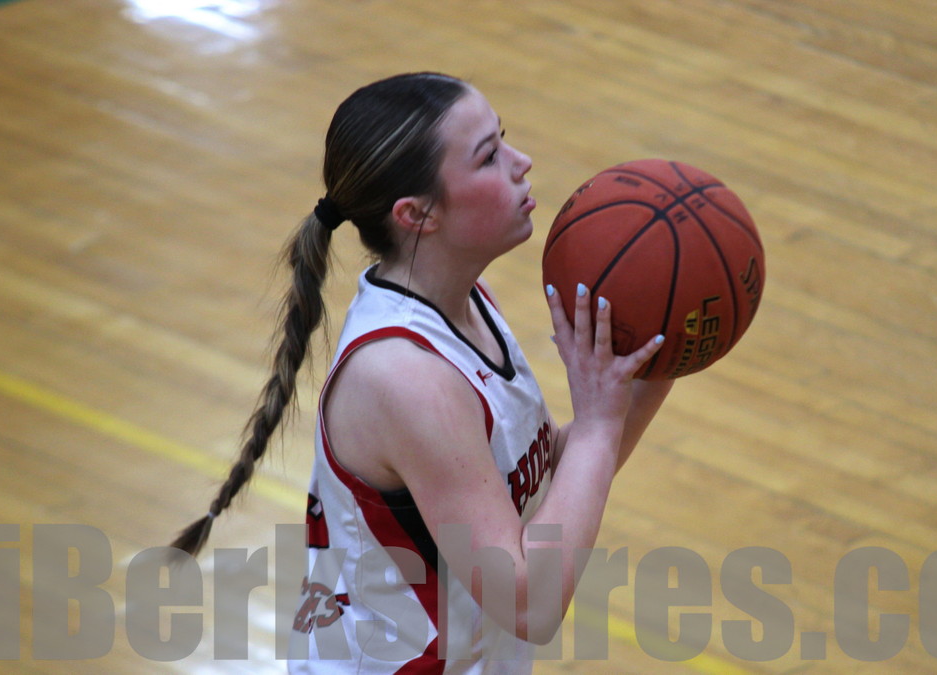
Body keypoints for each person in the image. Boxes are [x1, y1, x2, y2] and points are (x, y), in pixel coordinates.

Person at [171, 71, 673, 672]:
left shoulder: (465, 304)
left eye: (504, 139)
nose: (521, 162)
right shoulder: (405, 378)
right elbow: (529, 603)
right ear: (417, 214)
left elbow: (541, 492)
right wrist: (596, 425)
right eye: (489, 156)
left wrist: (653, 367)